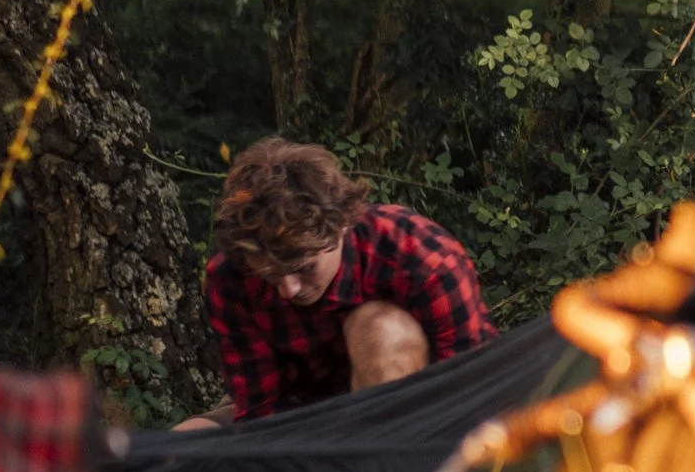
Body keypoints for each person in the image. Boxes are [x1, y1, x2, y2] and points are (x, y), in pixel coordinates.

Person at [182, 139, 495, 427]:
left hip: (413, 406)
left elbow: (469, 384)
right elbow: (259, 411)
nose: (289, 290)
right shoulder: (230, 277)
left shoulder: (419, 256)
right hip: (299, 412)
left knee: (378, 329)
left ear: (342, 225)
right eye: (270, 275)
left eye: (304, 268)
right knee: (182, 445)